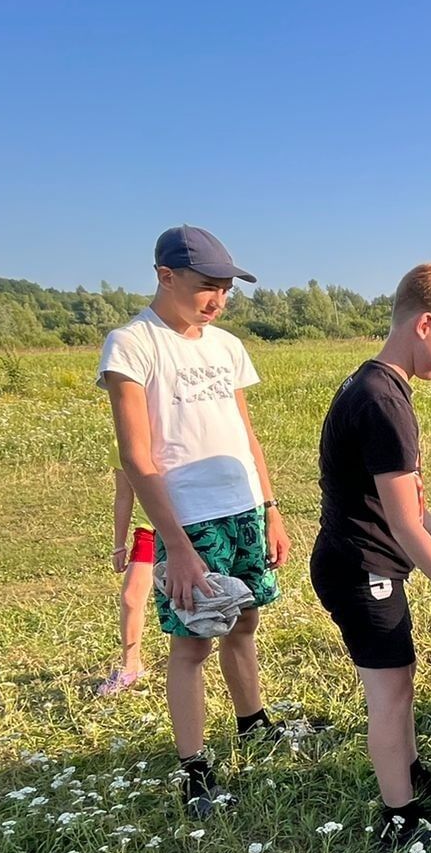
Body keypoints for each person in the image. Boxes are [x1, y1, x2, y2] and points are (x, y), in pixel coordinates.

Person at [97, 225, 290, 817]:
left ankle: (253, 724)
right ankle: (194, 767)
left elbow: (244, 433)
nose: (219, 300)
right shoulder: (132, 345)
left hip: (243, 510)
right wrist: (174, 545)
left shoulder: (226, 346)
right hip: (187, 521)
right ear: (165, 275)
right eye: (209, 287)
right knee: (191, 645)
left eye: (227, 290)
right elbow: (136, 455)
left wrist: (271, 506)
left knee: (245, 623)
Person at [310, 262, 431, 852]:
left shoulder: (374, 384)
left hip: (364, 562)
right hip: (361, 568)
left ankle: (410, 771)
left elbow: (407, 504)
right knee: (389, 693)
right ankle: (401, 816)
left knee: (400, 678)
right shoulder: (384, 401)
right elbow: (400, 523)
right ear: (425, 324)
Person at [95, 461, 156, 696]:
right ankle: (131, 666)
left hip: (188, 523)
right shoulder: (121, 441)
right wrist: (118, 546)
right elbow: (123, 496)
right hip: (149, 529)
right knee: (131, 597)